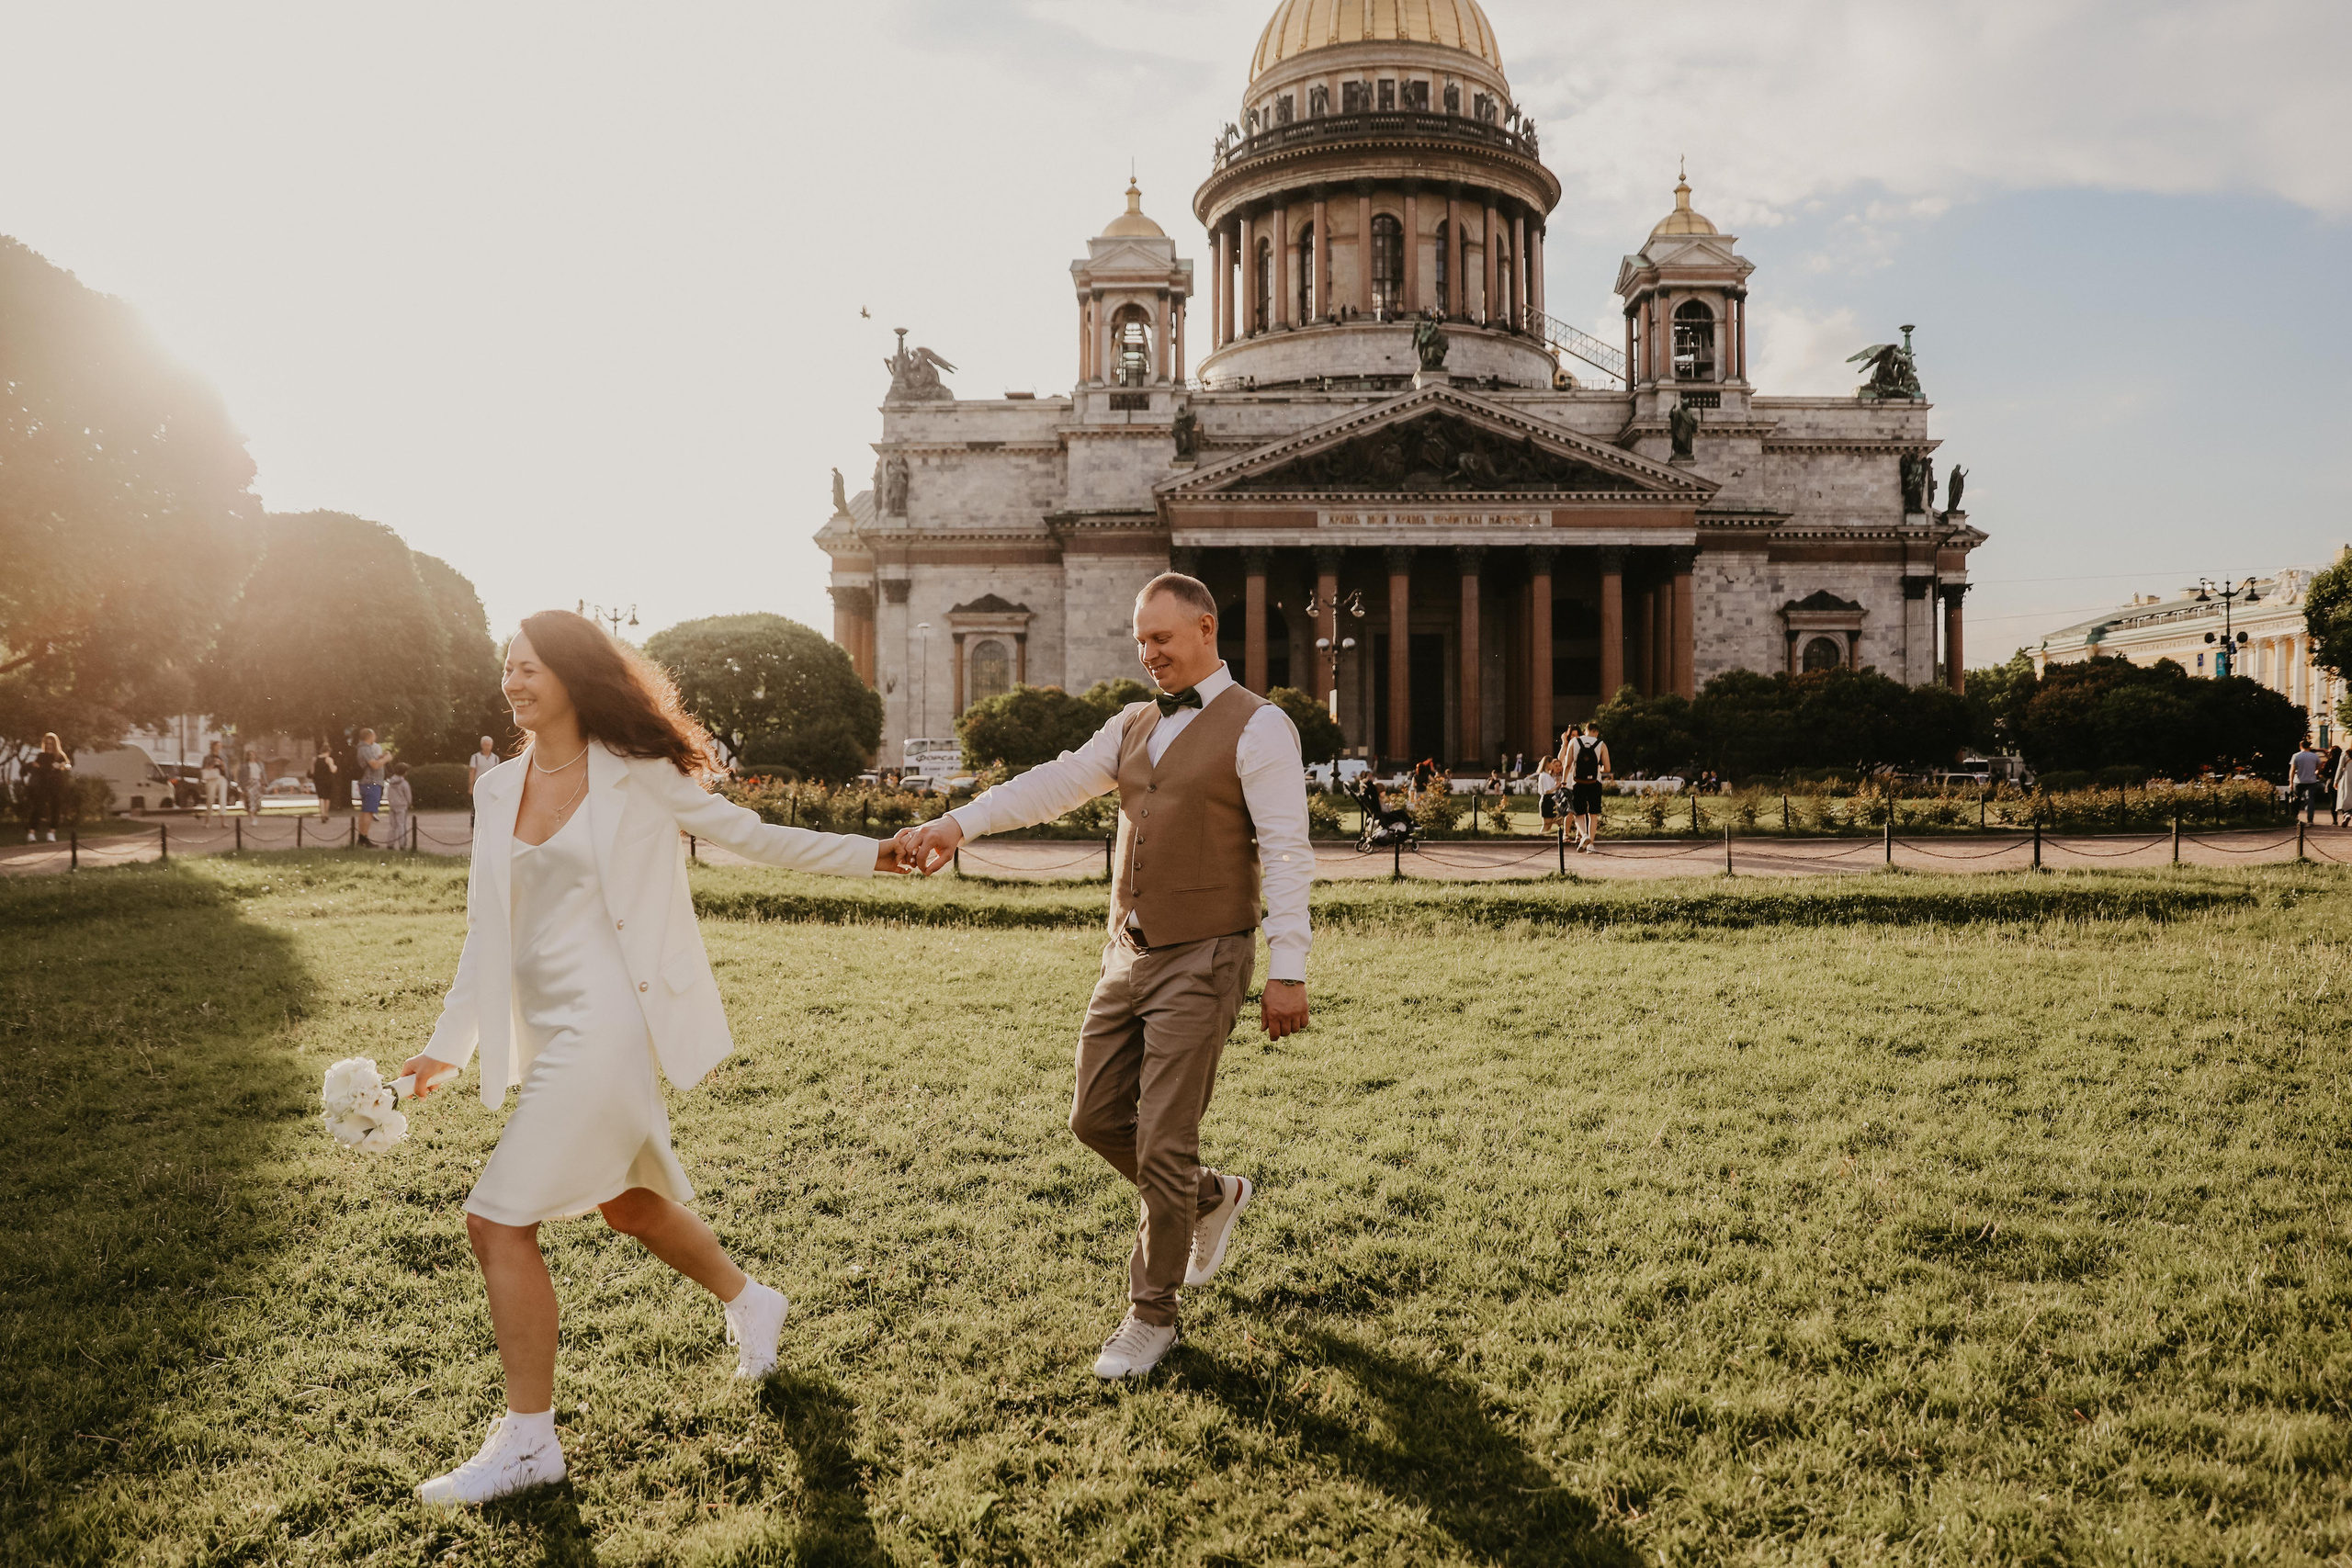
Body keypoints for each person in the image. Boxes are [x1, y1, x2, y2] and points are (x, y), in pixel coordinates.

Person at [401, 609, 910, 1506]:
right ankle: (751, 1300)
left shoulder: (637, 779)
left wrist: (881, 854)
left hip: (612, 1024)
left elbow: (755, 836)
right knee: (630, 1203)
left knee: (494, 1222)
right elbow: (488, 929)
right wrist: (447, 1047)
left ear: (572, 676)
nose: (514, 682)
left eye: (530, 669)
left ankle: (528, 1444)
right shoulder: (496, 787)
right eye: (507, 668)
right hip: (550, 1029)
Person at [895, 572, 1312, 1381]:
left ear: (1205, 626)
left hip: (1208, 954)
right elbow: (1051, 784)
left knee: (1162, 1137)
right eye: (1140, 641)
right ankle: (1209, 1195)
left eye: (1162, 638)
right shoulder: (1129, 724)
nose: (1149, 654)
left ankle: (1151, 1315)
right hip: (1129, 951)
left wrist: (1286, 969)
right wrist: (958, 822)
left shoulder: (1260, 728)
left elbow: (1289, 852)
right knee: (1093, 1117)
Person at [1560, 720, 1611, 853]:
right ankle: (1591, 845)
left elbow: (1568, 764)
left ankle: (1584, 835)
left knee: (1579, 813)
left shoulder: (1574, 742)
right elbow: (1608, 768)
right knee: (1593, 814)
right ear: (1597, 732)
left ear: (1585, 730)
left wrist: (1564, 782)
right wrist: (1599, 768)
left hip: (1578, 781)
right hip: (1595, 782)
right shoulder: (1601, 744)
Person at [24, 733, 72, 842]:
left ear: (55, 744)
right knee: (39, 807)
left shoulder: (60, 755)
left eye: (51, 743)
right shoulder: (41, 755)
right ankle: (31, 832)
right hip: (43, 784)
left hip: (56, 784)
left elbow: (68, 765)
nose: (49, 746)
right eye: (47, 743)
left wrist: (61, 766)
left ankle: (51, 832)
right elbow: (37, 768)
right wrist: (40, 767)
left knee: (56, 807)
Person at [355, 729, 390, 845]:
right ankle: (364, 838)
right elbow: (374, 765)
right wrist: (386, 759)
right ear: (371, 736)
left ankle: (362, 837)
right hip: (371, 783)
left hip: (369, 783)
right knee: (369, 811)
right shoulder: (366, 749)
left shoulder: (364, 748)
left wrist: (381, 758)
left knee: (366, 811)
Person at [2290, 739, 2324, 823]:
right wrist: (2316, 773)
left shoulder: (2296, 756)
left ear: (2300, 746)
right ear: (2309, 746)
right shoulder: (2315, 756)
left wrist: (2290, 782)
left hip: (2298, 781)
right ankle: (2310, 819)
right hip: (2311, 781)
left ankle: (2294, 817)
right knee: (2310, 800)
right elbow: (2320, 767)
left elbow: (2292, 770)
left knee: (2296, 799)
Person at [384, 761, 413, 851]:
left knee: (393, 826)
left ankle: (390, 844)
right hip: (402, 807)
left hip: (392, 806)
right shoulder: (404, 783)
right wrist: (409, 803)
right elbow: (408, 796)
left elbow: (389, 794)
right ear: (404, 773)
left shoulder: (391, 783)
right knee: (401, 825)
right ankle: (402, 845)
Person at [199, 740, 229, 824]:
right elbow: (204, 768)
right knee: (210, 798)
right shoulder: (207, 757)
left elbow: (226, 770)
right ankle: (207, 820)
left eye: (220, 746)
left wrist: (222, 764)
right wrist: (212, 764)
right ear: (213, 747)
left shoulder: (223, 757)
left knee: (223, 798)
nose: (218, 748)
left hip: (221, 777)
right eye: (217, 746)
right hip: (211, 778)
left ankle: (223, 821)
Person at [311, 745, 340, 822]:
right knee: (327, 798)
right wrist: (336, 767)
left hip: (318, 781)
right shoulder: (328, 759)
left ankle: (322, 814)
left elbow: (312, 772)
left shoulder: (314, 759)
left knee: (321, 797)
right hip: (328, 780)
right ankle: (326, 814)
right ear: (328, 751)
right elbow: (333, 770)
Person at [240, 744, 266, 819]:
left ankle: (254, 814)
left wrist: (263, 784)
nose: (251, 756)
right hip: (249, 783)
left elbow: (262, 774)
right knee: (250, 800)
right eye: (250, 755)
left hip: (257, 783)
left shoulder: (259, 764)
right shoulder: (245, 766)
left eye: (253, 755)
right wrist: (242, 787)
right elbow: (241, 777)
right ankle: (251, 817)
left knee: (257, 800)